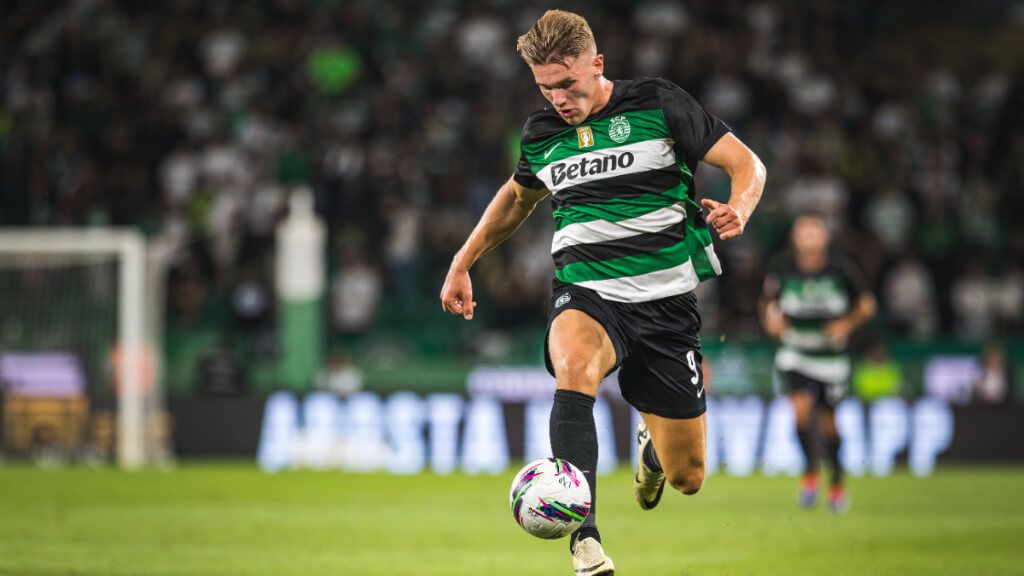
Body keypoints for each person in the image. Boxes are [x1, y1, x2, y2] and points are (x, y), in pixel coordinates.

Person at [440, 10, 765, 575]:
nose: (558, 99)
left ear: (597, 64)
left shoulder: (658, 104)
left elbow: (746, 163)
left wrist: (739, 207)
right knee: (574, 364)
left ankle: (652, 452)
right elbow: (517, 199)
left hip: (666, 305)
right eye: (546, 88)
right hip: (587, 290)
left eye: (567, 84)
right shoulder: (542, 134)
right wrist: (462, 261)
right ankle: (584, 538)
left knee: (688, 476)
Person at [760, 214, 876, 513]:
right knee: (799, 413)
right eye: (803, 232)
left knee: (829, 423)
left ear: (825, 237)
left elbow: (866, 304)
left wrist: (847, 323)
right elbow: (768, 302)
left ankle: (836, 480)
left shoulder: (841, 268)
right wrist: (770, 320)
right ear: (794, 238)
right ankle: (810, 472)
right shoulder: (782, 267)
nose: (808, 238)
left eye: (814, 232)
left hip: (831, 357)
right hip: (795, 352)